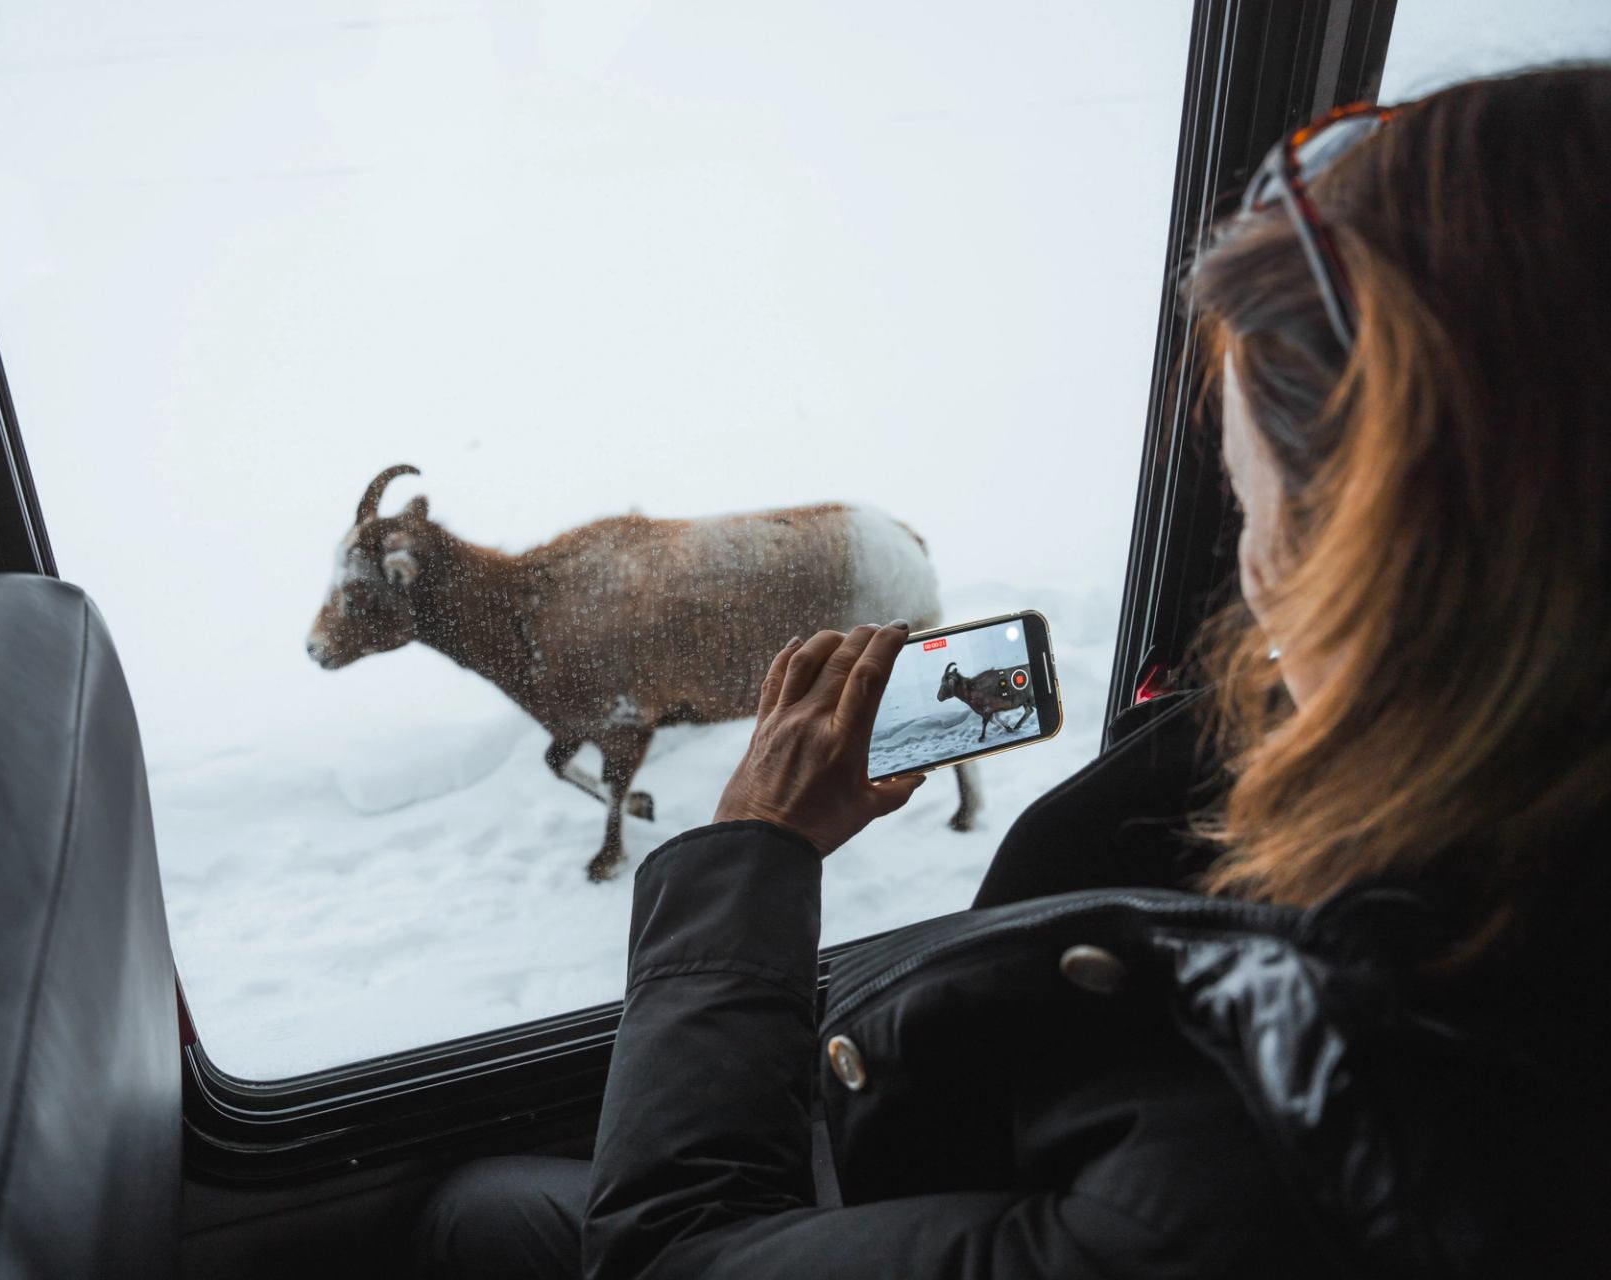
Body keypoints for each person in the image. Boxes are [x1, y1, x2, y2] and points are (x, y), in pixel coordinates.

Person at [416, 65, 1611, 1278]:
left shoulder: (1258, 1169)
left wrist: (753, 847)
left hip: (1050, 1187)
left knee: (478, 1215)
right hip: (1031, 1140)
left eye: (1247, 504)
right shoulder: (1512, 774)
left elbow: (666, 1259)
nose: (1246, 577)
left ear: (1372, 559)